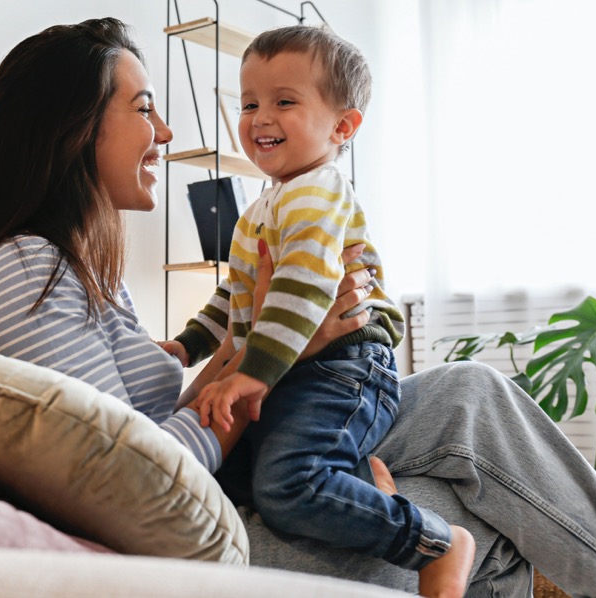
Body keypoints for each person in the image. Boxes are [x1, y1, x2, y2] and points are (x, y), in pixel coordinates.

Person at [0, 17, 596, 598]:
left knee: (471, 394)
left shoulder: (83, 272)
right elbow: (129, 479)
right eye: (144, 108)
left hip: (219, 481)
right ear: (70, 127)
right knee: (466, 513)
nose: (166, 130)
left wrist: (255, 354)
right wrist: (276, 357)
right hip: (178, 538)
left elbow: (144, 420)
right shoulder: (21, 271)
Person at [161, 25, 471, 597]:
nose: (259, 117)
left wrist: (252, 374)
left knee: (288, 483)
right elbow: (236, 297)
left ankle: (434, 543)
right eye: (249, 102)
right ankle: (366, 490)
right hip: (294, 367)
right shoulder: (262, 207)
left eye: (284, 101)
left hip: (344, 367)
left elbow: (302, 288)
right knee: (233, 482)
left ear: (343, 126)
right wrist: (186, 345)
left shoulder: (316, 193)